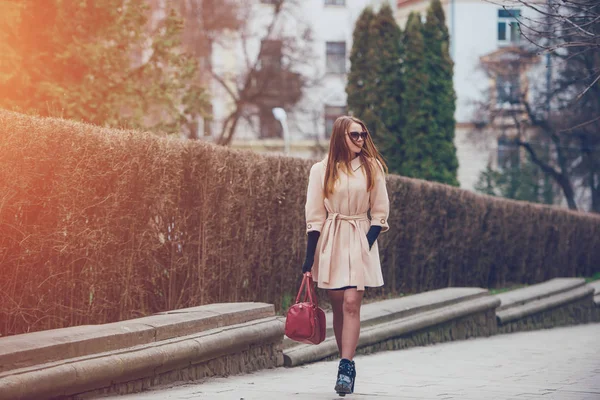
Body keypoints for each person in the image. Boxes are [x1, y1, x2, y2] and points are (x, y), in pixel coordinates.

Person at [302, 115, 390, 396]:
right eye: (355, 135)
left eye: (363, 134)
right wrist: (308, 261)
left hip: (360, 237)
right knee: (339, 305)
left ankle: (346, 366)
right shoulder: (321, 170)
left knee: (353, 302)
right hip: (332, 238)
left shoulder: (372, 167)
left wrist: (366, 243)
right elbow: (314, 217)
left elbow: (380, 212)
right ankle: (345, 359)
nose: (361, 139)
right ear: (341, 136)